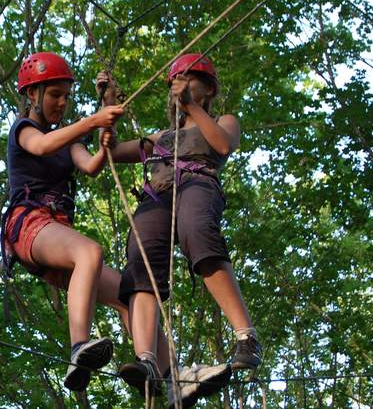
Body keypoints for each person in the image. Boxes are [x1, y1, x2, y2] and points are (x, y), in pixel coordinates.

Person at [1, 52, 172, 392]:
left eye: (66, 95)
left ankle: (168, 379)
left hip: (56, 237)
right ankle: (78, 348)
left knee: (128, 292)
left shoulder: (71, 142)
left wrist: (105, 130)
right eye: (54, 95)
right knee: (90, 252)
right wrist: (93, 121)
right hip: (29, 225)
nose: (62, 103)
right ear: (32, 94)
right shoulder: (25, 129)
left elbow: (93, 166)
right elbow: (43, 144)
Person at [98, 54, 261, 403]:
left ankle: (246, 336)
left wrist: (193, 107)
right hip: (157, 195)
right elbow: (109, 153)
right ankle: (148, 361)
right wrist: (107, 105)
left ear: (208, 89)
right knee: (141, 258)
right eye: (178, 80)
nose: (182, 85)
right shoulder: (160, 138)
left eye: (191, 80)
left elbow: (222, 145)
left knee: (196, 231)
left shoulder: (223, 120)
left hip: (197, 183)